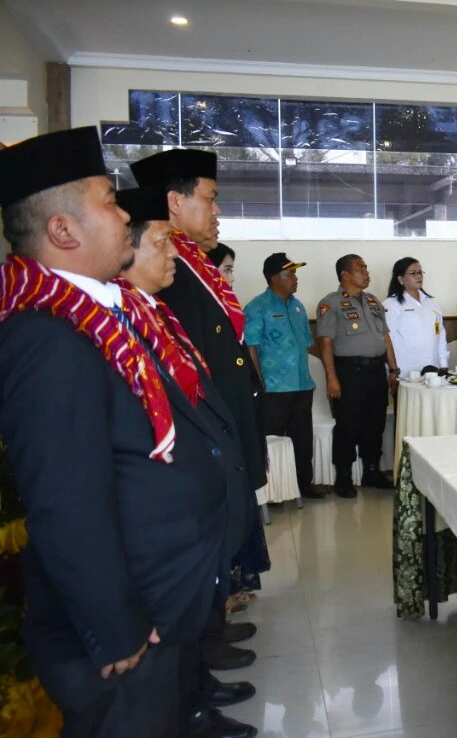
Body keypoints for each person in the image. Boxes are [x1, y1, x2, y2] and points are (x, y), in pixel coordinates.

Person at [0, 128, 245, 737]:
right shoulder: (48, 334)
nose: (126, 213)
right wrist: (118, 627)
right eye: (110, 201)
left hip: (161, 594)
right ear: (63, 230)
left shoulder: (108, 312)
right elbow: (66, 501)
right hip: (127, 624)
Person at [130, 148, 264, 733]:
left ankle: (203, 656)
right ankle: (197, 667)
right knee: (200, 553)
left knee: (217, 541)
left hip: (222, 423)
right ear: (174, 202)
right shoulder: (169, 272)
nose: (215, 210)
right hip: (198, 436)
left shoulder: (196, 266)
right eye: (208, 197)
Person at [316, 255, 400, 498]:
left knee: (375, 423)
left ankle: (371, 471)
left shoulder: (373, 301)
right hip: (349, 372)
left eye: (365, 267)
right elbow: (325, 344)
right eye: (360, 268)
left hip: (376, 371)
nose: (366, 271)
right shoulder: (330, 304)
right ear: (345, 275)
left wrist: (393, 369)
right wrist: (331, 378)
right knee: (348, 425)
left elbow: (385, 338)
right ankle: (343, 477)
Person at [245, 253, 320, 500]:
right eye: (289, 275)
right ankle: (273, 492)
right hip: (273, 388)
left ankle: (303, 486)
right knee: (271, 442)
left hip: (301, 384)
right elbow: (251, 347)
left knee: (302, 440)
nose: (295, 279)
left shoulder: (298, 307)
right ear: (273, 278)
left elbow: (306, 344)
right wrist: (259, 382)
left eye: (295, 274)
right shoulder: (257, 307)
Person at [384, 258, 449, 374]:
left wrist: (443, 364)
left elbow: (440, 334)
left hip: (433, 371)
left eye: (420, 272)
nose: (419, 276)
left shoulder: (432, 302)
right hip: (405, 373)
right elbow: (389, 339)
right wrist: (393, 371)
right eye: (413, 273)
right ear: (400, 279)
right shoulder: (392, 304)